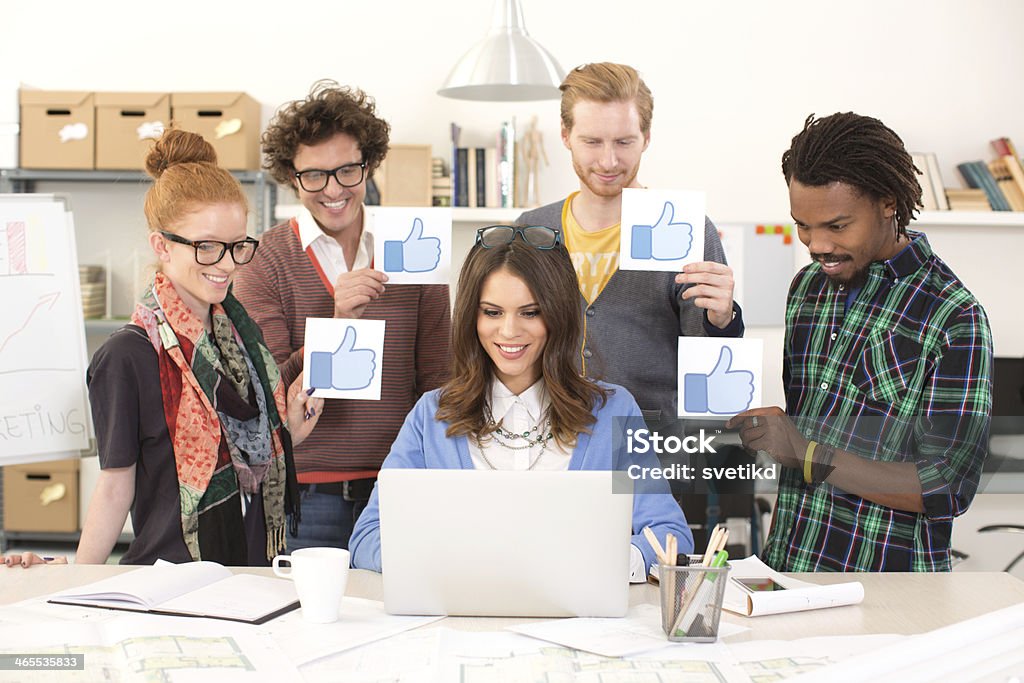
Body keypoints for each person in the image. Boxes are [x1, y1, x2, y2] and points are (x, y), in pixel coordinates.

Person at [3, 129, 323, 569]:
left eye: (236, 246)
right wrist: (76, 580)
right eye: (207, 247)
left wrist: (289, 431)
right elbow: (116, 487)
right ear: (162, 246)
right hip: (168, 583)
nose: (227, 264)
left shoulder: (241, 343)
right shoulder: (126, 357)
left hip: (252, 576)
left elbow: (251, 461)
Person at [727, 112, 993, 572]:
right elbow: (812, 428)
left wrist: (807, 454)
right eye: (803, 226)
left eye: (836, 225)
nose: (816, 245)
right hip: (789, 569)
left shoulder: (954, 317)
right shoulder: (807, 289)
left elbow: (947, 485)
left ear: (888, 203)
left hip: (888, 595)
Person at [349, 226, 692, 576]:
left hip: (576, 625)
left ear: (558, 315)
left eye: (530, 312)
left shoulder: (613, 412)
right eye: (492, 312)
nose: (509, 331)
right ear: (472, 316)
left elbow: (669, 537)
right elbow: (367, 538)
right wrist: (442, 562)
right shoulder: (432, 415)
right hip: (462, 623)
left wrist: (602, 564)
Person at [233, 81, 451, 552]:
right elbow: (266, 388)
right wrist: (338, 323)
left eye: (347, 171)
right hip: (309, 492)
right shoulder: (264, 259)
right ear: (292, 177)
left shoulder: (413, 246)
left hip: (401, 480)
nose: (332, 190)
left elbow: (438, 377)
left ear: (367, 166)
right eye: (314, 175)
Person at [516, 62, 743, 434]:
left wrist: (722, 320)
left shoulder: (690, 230)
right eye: (592, 142)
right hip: (548, 439)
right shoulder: (532, 230)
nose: (608, 161)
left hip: (651, 447)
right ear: (565, 135)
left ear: (647, 137)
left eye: (624, 142)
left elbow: (711, 365)